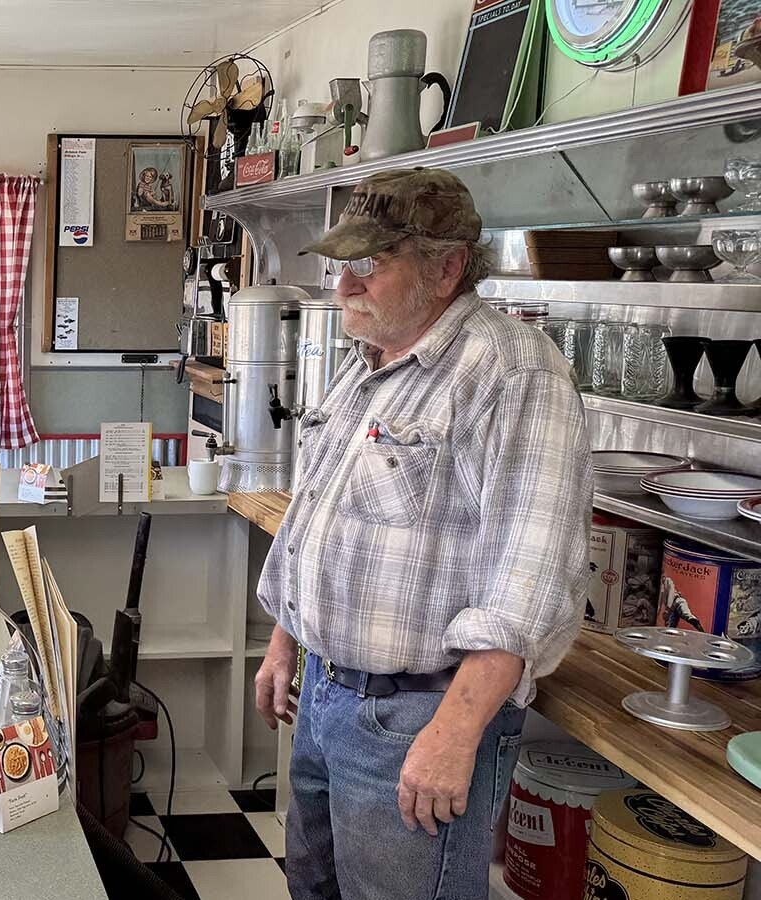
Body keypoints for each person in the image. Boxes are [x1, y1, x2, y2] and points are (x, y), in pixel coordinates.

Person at [253, 168, 592, 900]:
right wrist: (287, 636)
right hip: (327, 695)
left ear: (446, 268)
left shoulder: (513, 372)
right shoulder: (369, 360)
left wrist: (453, 734)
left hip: (417, 716)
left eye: (370, 266)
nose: (344, 286)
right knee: (315, 890)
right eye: (343, 265)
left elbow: (527, 581)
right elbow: (318, 514)